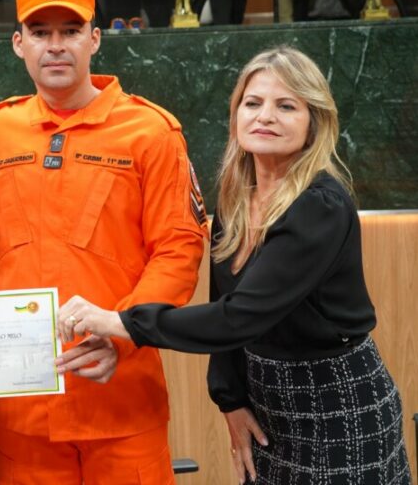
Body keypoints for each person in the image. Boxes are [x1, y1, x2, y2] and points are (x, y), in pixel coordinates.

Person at [58, 47, 412, 485]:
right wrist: (230, 401)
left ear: (313, 122)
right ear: (236, 114)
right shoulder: (234, 199)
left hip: (337, 402)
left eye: (286, 106)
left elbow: (238, 317)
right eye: (253, 103)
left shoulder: (320, 206)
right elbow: (223, 301)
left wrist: (120, 322)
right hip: (265, 404)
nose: (265, 116)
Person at [0, 0, 209, 484]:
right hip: (23, 407)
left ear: (95, 39)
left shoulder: (150, 131)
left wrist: (121, 333)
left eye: (70, 30)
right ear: (18, 44)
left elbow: (178, 249)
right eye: (40, 32)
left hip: (120, 399)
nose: (55, 46)